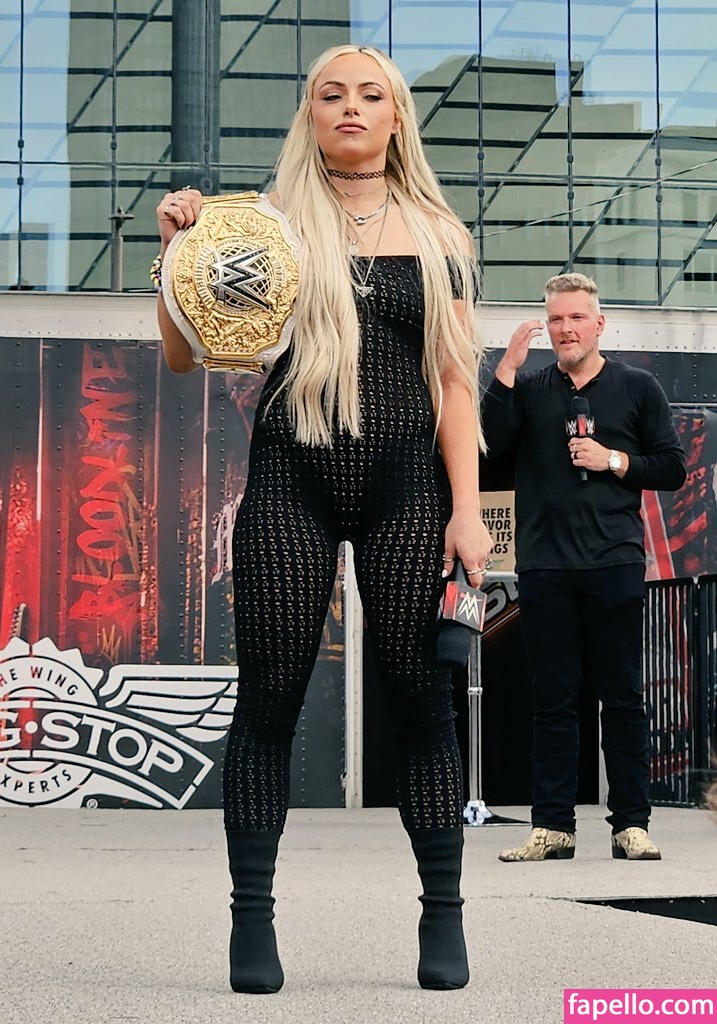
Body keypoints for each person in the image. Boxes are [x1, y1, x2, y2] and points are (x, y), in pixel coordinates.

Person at [154, 45, 492, 992]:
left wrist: (469, 513)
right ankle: (251, 922)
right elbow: (185, 356)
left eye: (369, 94)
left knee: (422, 704)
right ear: (309, 116)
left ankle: (443, 915)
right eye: (331, 94)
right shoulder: (262, 226)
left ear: (395, 117)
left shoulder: (441, 235)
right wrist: (178, 255)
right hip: (291, 480)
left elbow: (455, 384)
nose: (350, 106)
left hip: (407, 488)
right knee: (268, 701)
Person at [482, 273, 686, 863]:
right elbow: (488, 449)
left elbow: (671, 467)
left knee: (621, 697)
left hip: (613, 563)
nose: (565, 329)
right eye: (555, 319)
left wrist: (613, 460)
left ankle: (631, 825)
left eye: (575, 318)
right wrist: (506, 370)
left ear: (599, 324)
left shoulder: (637, 387)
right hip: (545, 566)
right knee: (553, 701)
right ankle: (553, 827)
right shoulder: (529, 387)